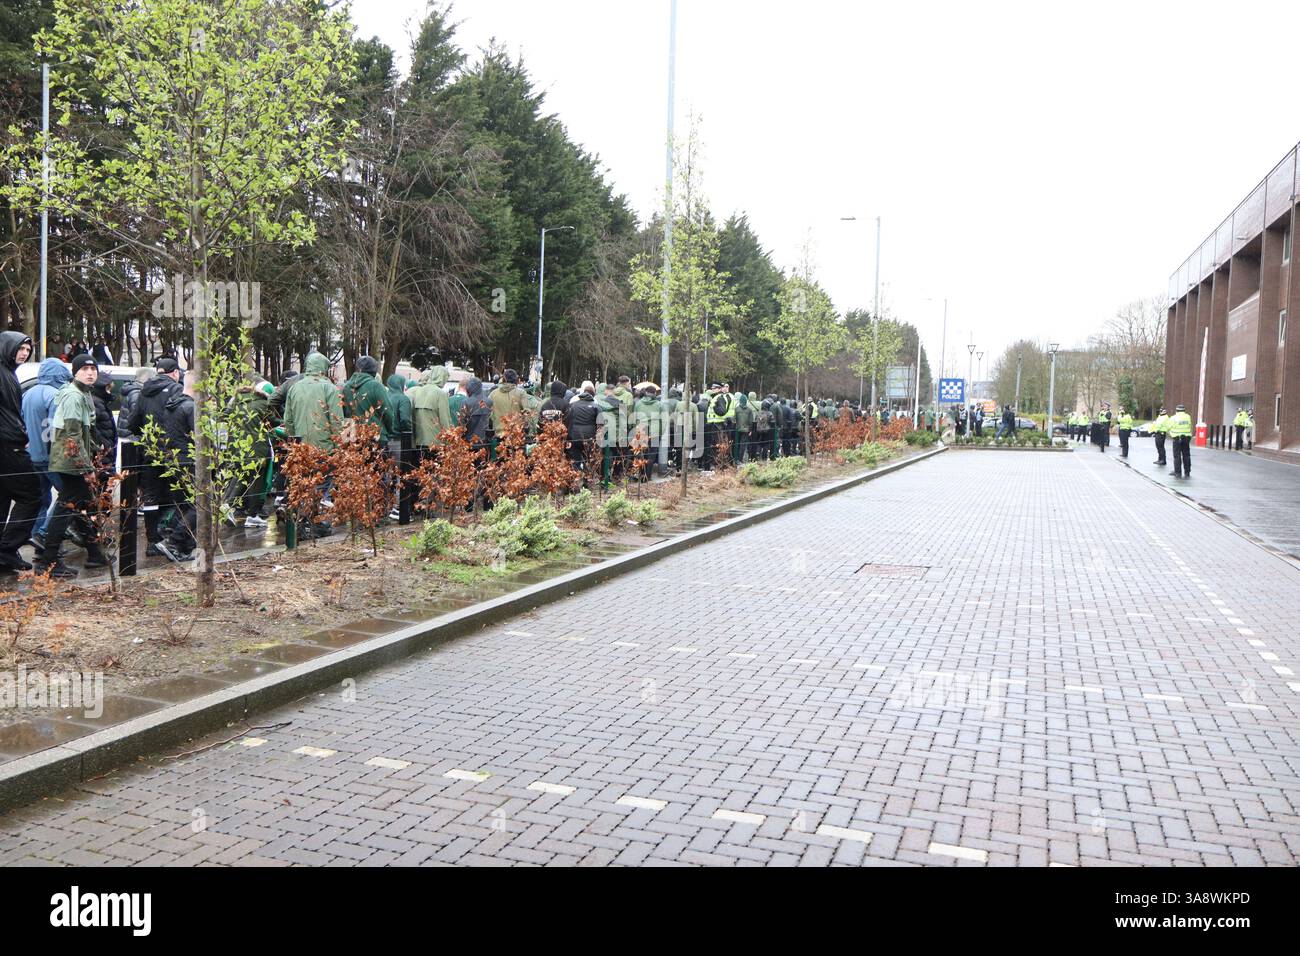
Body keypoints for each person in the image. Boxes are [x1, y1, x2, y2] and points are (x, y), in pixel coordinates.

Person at [36, 355, 110, 577]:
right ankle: (48, 562)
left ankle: (95, 554)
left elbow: (87, 433)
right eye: (85, 369)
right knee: (66, 509)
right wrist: (86, 468)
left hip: (74, 461)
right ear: (75, 372)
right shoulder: (72, 395)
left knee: (80, 507)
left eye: (93, 368)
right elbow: (72, 436)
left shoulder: (83, 393)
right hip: (70, 463)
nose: (90, 373)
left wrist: (98, 455)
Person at [21, 357, 72, 549]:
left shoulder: (29, 394)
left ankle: (35, 534)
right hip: (51, 457)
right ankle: (45, 534)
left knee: (42, 498)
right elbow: (55, 429)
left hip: (33, 456)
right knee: (68, 496)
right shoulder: (55, 394)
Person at [340, 356, 396, 443]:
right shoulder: (376, 386)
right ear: (374, 371)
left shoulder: (346, 388)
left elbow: (343, 413)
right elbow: (387, 412)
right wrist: (390, 430)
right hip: (376, 436)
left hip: (353, 437)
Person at [409, 366, 453, 449]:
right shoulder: (440, 394)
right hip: (436, 442)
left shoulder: (418, 391)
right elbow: (445, 420)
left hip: (419, 440)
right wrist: (449, 441)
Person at [1167, 403, 1193, 478]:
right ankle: (1187, 472)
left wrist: (1170, 432)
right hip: (1186, 438)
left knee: (1177, 456)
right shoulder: (1188, 417)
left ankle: (1178, 472)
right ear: (1184, 410)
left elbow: (1168, 427)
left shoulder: (1173, 418)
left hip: (1177, 438)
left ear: (1177, 410)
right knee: (1186, 455)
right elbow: (1189, 425)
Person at [386, 374, 413, 442]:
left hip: (383, 437)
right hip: (397, 438)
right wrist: (408, 432)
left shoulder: (383, 396)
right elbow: (405, 419)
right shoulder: (403, 399)